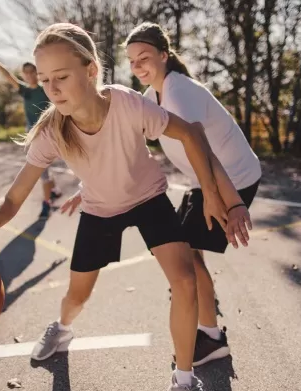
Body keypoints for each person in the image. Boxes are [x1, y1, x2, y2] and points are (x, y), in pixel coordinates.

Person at [0, 23, 251, 391]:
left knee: (185, 280)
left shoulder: (127, 103)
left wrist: (212, 194)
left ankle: (182, 379)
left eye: (61, 76)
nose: (52, 89)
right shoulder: (52, 131)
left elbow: (192, 133)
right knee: (77, 297)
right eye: (45, 80)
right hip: (100, 210)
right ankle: (62, 328)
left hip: (148, 199)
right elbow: (13, 200)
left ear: (91, 70)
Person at [123, 22, 262, 366]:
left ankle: (211, 337)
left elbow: (204, 150)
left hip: (231, 178)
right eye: (131, 60)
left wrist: (228, 201)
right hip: (206, 180)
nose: (138, 66)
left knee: (187, 256)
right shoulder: (150, 97)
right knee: (188, 254)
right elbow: (129, 139)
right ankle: (203, 309)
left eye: (145, 57)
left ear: (164, 56)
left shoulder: (178, 91)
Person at [0, 42, 61, 218]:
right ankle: (53, 192)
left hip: (49, 134)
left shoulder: (46, 89)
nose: (29, 75)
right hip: (33, 134)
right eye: (25, 73)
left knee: (43, 170)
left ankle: (47, 203)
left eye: (32, 71)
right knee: (45, 168)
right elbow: (7, 75)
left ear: (37, 72)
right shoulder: (24, 91)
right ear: (23, 76)